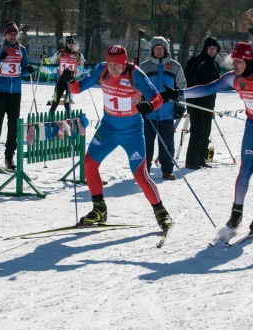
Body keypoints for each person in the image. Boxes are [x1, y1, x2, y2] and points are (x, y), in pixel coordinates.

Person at [161, 42, 253, 232]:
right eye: (233, 61)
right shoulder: (233, 78)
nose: (234, 65)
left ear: (247, 60)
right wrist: (179, 93)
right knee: (245, 169)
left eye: (238, 61)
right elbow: (206, 89)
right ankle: (236, 212)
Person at [62, 45, 173, 232]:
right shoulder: (102, 69)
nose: (113, 69)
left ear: (125, 62)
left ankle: (161, 213)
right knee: (89, 163)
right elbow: (78, 89)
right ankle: (99, 209)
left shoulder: (134, 73)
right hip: (108, 129)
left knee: (139, 174)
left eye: (117, 65)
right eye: (111, 64)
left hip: (132, 132)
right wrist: (71, 79)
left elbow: (157, 97)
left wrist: (150, 106)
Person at [0, 22, 34, 170]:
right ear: (5, 34)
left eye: (15, 34)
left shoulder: (22, 49)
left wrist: (29, 70)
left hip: (15, 93)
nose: (13, 36)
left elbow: (24, 70)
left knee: (13, 127)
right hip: (0, 92)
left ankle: (9, 157)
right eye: (10, 33)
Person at [139, 36, 187, 180]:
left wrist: (180, 106)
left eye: (161, 49)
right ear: (151, 50)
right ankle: (144, 171)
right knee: (146, 143)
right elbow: (136, 87)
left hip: (167, 112)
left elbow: (182, 87)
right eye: (156, 49)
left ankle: (167, 170)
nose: (159, 51)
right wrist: (138, 103)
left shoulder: (175, 66)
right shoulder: (144, 67)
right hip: (149, 113)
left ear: (166, 50)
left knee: (167, 143)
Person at [184, 37, 221, 169]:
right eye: (210, 48)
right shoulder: (196, 61)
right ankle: (191, 161)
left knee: (206, 132)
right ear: (205, 48)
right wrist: (190, 101)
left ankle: (201, 159)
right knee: (197, 131)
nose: (212, 50)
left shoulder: (215, 64)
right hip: (196, 102)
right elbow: (188, 81)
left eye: (215, 49)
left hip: (209, 104)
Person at [41, 35, 87, 114]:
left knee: (67, 103)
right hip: (61, 80)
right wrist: (43, 58)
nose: (71, 44)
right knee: (55, 101)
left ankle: (69, 121)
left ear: (74, 44)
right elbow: (49, 61)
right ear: (66, 43)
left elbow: (85, 65)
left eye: (72, 42)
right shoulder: (61, 52)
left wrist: (83, 62)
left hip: (71, 81)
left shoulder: (78, 54)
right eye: (69, 42)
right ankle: (50, 121)